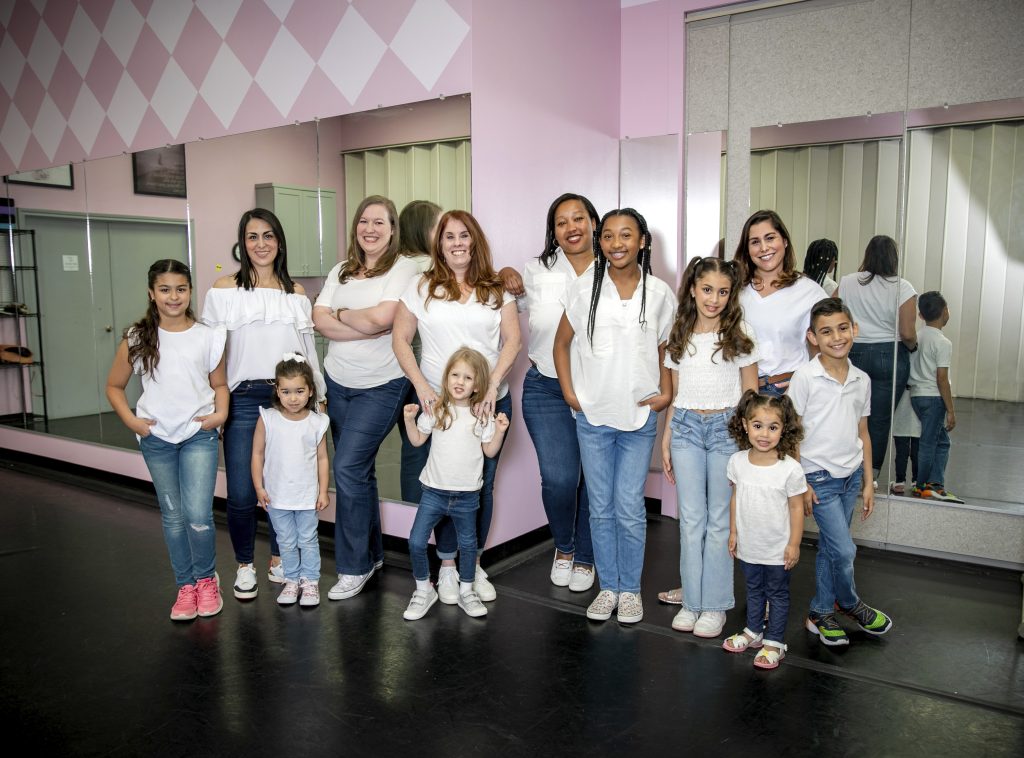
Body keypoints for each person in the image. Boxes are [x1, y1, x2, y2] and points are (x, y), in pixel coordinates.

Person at [552, 208, 675, 625]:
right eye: (608, 235)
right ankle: (608, 588)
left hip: (639, 417)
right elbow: (561, 344)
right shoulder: (585, 288)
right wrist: (571, 393)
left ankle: (630, 589)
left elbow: (665, 350)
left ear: (642, 241)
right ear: (600, 242)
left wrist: (667, 391)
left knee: (629, 507)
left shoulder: (659, 293)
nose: (616, 243)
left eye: (626, 235)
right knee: (600, 508)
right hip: (594, 417)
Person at [393, 210, 521, 604]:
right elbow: (401, 340)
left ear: (475, 240)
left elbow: (512, 341)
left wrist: (492, 387)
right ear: (439, 244)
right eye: (449, 237)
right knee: (438, 483)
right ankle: (447, 568)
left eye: (464, 235)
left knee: (478, 489)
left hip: (486, 403)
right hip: (437, 403)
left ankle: (473, 563)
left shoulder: (497, 289)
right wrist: (422, 388)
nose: (457, 243)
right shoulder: (421, 286)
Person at [202, 208, 326, 601]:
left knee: (284, 487)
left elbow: (308, 352)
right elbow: (213, 355)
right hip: (242, 399)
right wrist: (217, 403)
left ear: (279, 242)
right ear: (242, 243)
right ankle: (243, 565)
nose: (261, 244)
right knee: (241, 491)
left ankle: (279, 559)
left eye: (268, 236)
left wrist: (317, 398)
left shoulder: (296, 294)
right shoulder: (223, 289)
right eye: (252, 237)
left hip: (290, 399)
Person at [105, 259, 227, 621]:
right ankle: (186, 586)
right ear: (151, 293)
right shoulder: (138, 337)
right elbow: (114, 386)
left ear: (190, 291)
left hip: (197, 435)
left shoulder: (208, 335)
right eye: (165, 289)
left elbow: (219, 385)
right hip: (156, 438)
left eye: (181, 289)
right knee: (173, 517)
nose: (173, 297)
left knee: (198, 515)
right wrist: (133, 421)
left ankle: (207, 581)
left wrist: (219, 415)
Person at [312, 196, 420, 601]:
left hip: (383, 384)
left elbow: (384, 319)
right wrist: (356, 321)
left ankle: (352, 567)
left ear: (393, 229)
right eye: (363, 221)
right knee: (360, 473)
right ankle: (372, 556)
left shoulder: (404, 267)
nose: (370, 229)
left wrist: (340, 316)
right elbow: (318, 318)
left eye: (379, 222)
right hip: (337, 380)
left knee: (347, 466)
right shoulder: (341, 270)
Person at [660, 256, 759, 638]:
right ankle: (692, 602)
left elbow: (751, 393)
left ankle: (715, 606)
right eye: (706, 290)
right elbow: (676, 394)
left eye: (722, 291)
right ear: (692, 290)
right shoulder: (680, 332)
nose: (714, 299)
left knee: (719, 519)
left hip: (726, 428)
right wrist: (667, 438)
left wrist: (748, 442)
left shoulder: (740, 332)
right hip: (685, 426)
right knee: (691, 519)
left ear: (731, 294)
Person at [789, 298, 893, 647]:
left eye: (843, 328)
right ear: (812, 337)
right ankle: (849, 603)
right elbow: (792, 433)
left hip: (850, 477)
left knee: (832, 550)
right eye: (826, 331)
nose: (836, 337)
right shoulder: (805, 377)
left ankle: (819, 612)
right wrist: (801, 481)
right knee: (844, 551)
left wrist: (867, 481)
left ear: (855, 330)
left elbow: (863, 433)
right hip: (818, 477)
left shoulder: (862, 380)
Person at [510, 193, 600, 592]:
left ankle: (586, 556)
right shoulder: (536, 270)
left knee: (594, 481)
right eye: (561, 222)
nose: (571, 227)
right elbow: (502, 299)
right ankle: (564, 547)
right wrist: (505, 274)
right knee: (561, 479)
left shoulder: (614, 269)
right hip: (546, 387)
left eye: (578, 218)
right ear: (554, 231)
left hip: (599, 392)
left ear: (594, 222)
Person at [401, 348, 511, 620]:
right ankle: (423, 589)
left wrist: (499, 431)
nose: (460, 382)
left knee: (469, 546)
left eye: (468, 378)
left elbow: (490, 452)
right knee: (416, 542)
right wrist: (408, 420)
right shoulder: (436, 409)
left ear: (477, 385)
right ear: (446, 377)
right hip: (434, 493)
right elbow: (416, 441)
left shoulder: (480, 415)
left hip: (467, 497)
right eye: (455, 375)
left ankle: (467, 590)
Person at [722, 390, 807, 670]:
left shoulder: (791, 469)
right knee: (753, 589)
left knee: (777, 594)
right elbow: (736, 499)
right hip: (749, 545)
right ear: (745, 425)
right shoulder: (737, 463)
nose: (764, 434)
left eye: (773, 427)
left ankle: (774, 642)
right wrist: (733, 532)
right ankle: (753, 631)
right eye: (757, 426)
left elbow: (796, 509)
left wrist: (794, 544)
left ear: (784, 430)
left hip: (777, 549)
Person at [251, 355, 330, 607]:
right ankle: (292, 579)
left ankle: (310, 581)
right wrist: (258, 487)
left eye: (299, 391)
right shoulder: (268, 419)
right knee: (285, 540)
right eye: (286, 391)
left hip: (306, 496)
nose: (292, 398)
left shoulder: (317, 422)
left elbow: (322, 459)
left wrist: (323, 491)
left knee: (307, 539)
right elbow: (257, 454)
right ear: (277, 390)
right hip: (277, 495)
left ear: (310, 391)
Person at [837, 235, 918, 482]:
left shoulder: (848, 282)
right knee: (880, 420)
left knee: (848, 415)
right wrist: (913, 348)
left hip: (854, 352)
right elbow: (907, 332)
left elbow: (829, 312)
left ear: (867, 255)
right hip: (889, 354)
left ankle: (844, 468)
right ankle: (870, 476)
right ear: (894, 258)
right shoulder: (903, 287)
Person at [733, 210, 828, 397]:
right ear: (747, 250)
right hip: (740, 391)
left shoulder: (809, 292)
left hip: (788, 391)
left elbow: (827, 345)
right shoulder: (735, 291)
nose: (764, 247)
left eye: (770, 238)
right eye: (755, 242)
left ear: (784, 241)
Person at [395, 199, 442, 505]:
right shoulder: (428, 269)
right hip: (427, 373)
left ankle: (413, 522)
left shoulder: (395, 267)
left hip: (402, 372)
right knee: (432, 452)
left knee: (412, 448)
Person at [909, 291, 962, 502]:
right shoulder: (943, 342)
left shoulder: (917, 337)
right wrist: (951, 409)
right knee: (930, 442)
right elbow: (942, 378)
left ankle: (934, 482)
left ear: (920, 315)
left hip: (916, 396)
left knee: (940, 441)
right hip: (933, 398)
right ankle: (924, 485)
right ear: (945, 311)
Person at [889, 388, 920, 496]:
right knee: (917, 452)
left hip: (900, 414)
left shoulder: (900, 373)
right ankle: (917, 481)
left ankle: (899, 482)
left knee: (901, 452)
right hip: (918, 416)